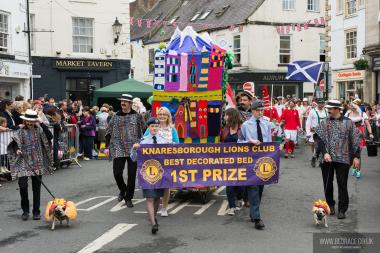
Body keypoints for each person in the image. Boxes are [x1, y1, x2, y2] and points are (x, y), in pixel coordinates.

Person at [314, 100, 362, 219]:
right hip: (327, 158)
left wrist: (356, 156)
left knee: (342, 184)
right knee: (327, 183)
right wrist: (324, 153)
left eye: (330, 108)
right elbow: (319, 139)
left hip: (343, 158)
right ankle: (330, 205)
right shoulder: (324, 122)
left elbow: (355, 140)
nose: (328, 110)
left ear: (337, 109)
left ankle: (342, 209)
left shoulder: (349, 123)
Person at [7, 109, 53, 220]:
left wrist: (41, 122)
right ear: (25, 121)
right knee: (23, 186)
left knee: (36, 187)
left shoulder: (40, 129)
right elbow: (15, 142)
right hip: (24, 161)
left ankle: (36, 211)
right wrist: (17, 149)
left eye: (32, 121)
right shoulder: (20, 131)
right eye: (27, 121)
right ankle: (25, 211)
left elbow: (50, 136)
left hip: (38, 161)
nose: (29, 123)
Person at [106, 94, 146, 208]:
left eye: (125, 101)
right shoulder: (115, 116)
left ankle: (129, 197)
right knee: (117, 173)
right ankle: (123, 190)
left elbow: (144, 129)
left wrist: (143, 143)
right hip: (118, 146)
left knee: (132, 174)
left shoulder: (137, 116)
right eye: (122, 101)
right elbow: (108, 130)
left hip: (134, 148)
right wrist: (108, 145)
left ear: (130, 103)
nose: (123, 103)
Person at [238, 100, 271, 230]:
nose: (260, 112)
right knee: (254, 187)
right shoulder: (246, 125)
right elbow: (239, 142)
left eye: (262, 110)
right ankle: (257, 218)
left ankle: (253, 211)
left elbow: (268, 140)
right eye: (258, 110)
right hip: (251, 159)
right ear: (252, 110)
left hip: (264, 159)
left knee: (261, 187)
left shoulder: (266, 124)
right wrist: (249, 141)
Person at [131, 118, 165, 234]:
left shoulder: (164, 141)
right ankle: (153, 223)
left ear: (159, 127)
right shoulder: (143, 141)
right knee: (149, 198)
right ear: (148, 128)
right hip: (147, 174)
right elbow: (133, 158)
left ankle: (153, 216)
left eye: (156, 126)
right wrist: (135, 149)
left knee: (157, 198)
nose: (154, 128)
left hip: (160, 174)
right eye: (152, 126)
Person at [144, 106, 179, 217]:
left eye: (165, 114)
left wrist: (171, 145)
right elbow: (144, 140)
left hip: (167, 160)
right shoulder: (153, 126)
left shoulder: (172, 129)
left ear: (168, 116)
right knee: (154, 183)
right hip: (153, 161)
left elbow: (177, 144)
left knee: (166, 185)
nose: (162, 116)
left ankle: (164, 207)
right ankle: (153, 206)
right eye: (160, 114)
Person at [220, 108, 245, 216]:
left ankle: (239, 197)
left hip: (241, 161)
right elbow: (221, 143)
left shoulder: (242, 128)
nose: (225, 117)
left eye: (226, 115)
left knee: (240, 185)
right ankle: (232, 207)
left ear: (232, 116)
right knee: (229, 184)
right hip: (228, 161)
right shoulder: (224, 129)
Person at [344, 101, 374, 178]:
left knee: (358, 154)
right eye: (350, 105)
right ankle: (354, 167)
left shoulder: (362, 114)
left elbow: (367, 124)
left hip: (359, 134)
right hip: (349, 135)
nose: (351, 107)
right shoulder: (347, 113)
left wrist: (370, 133)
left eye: (352, 105)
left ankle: (358, 170)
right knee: (351, 153)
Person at [306, 98, 328, 167]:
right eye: (320, 103)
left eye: (322, 103)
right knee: (317, 145)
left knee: (323, 146)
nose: (321, 105)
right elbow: (308, 122)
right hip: (315, 132)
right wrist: (308, 132)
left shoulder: (326, 111)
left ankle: (315, 157)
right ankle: (315, 157)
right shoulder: (312, 111)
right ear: (317, 103)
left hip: (325, 131)